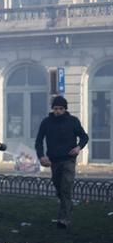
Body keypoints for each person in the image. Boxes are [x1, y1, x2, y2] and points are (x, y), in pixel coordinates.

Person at [35, 96, 89, 228]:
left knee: (66, 187)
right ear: (52, 109)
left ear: (65, 109)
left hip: (69, 159)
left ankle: (63, 219)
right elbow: (38, 141)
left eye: (60, 109)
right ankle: (68, 205)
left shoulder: (73, 121)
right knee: (58, 186)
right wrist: (41, 156)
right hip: (54, 160)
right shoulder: (46, 122)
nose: (57, 111)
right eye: (55, 109)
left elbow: (84, 136)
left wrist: (78, 147)